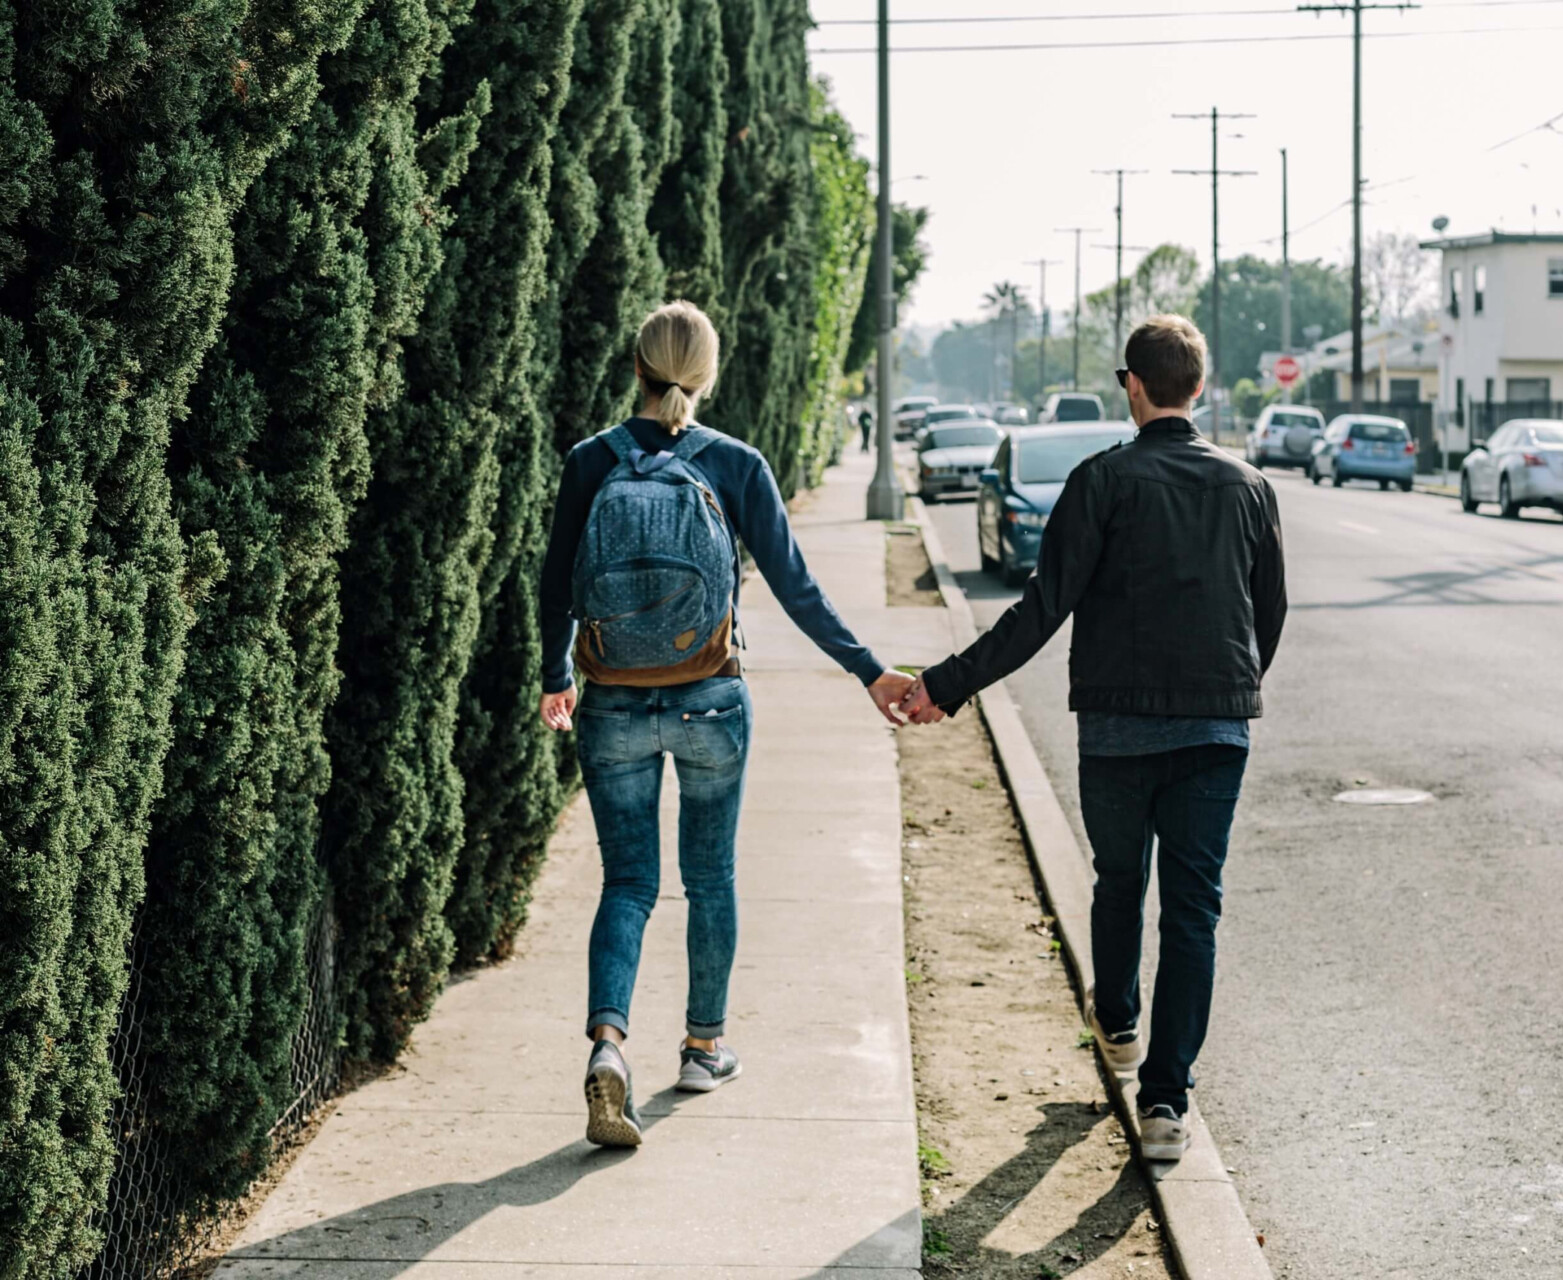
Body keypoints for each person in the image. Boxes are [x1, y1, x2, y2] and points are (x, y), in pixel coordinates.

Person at [902, 314, 1286, 1162]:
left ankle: (1116, 1023)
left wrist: (945, 684)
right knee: (1195, 911)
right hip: (1218, 731)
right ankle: (1166, 1106)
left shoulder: (1102, 482)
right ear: (1199, 385)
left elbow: (1042, 611)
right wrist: (1230, 689)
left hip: (1116, 729)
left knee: (1119, 881)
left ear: (1133, 385)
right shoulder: (1251, 487)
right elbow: (1271, 614)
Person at [539, 300, 916, 1148]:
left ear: (634, 368)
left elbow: (555, 582)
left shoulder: (590, 462)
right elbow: (795, 585)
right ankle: (704, 1047)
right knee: (709, 876)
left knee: (628, 883)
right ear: (707, 377)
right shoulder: (737, 464)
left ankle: (608, 1046)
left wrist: (554, 674)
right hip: (711, 698)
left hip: (613, 704)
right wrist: (868, 670)